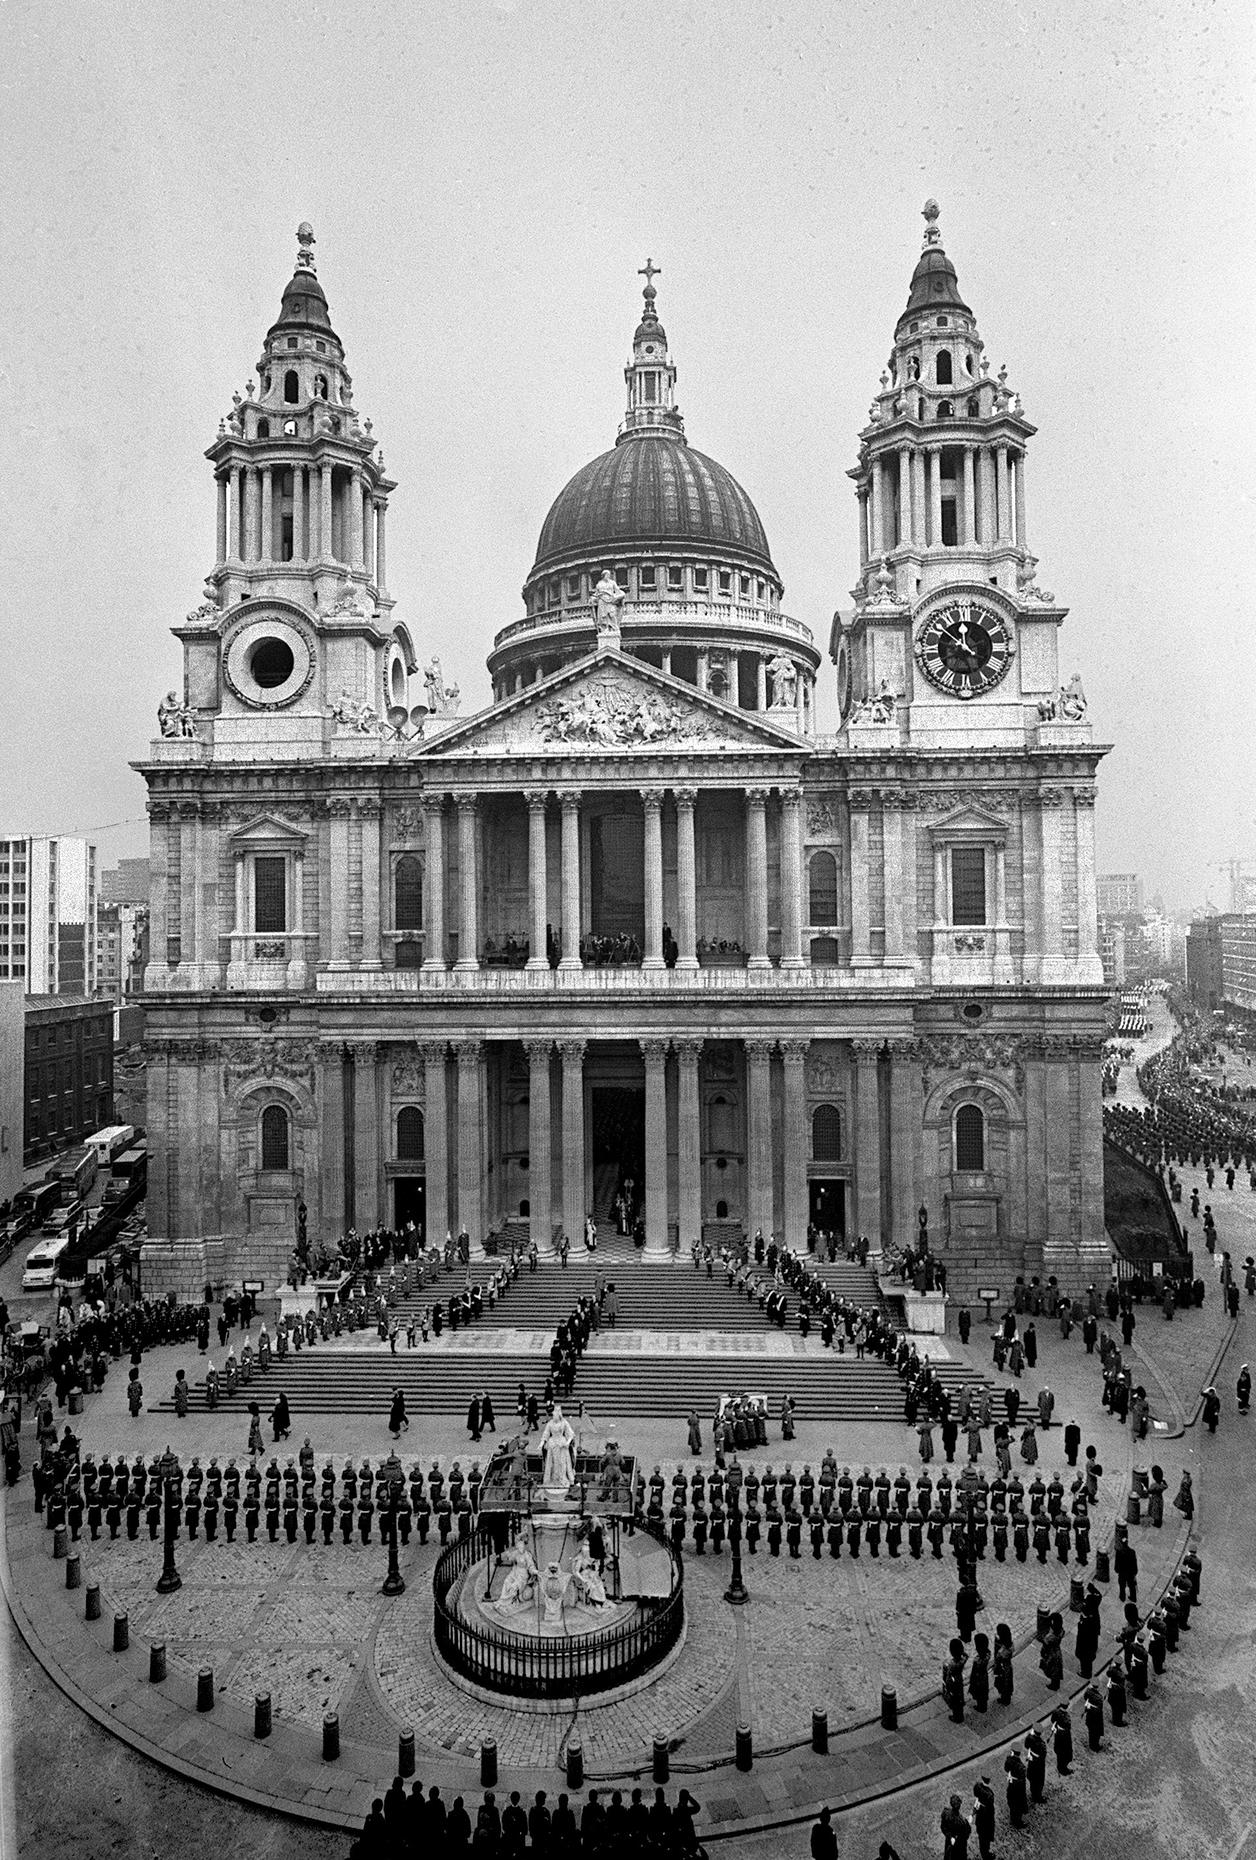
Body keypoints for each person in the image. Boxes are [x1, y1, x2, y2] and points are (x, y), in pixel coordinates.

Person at [940, 1793, 971, 1860]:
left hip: (949, 1841)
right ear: (959, 1805)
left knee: (949, 1856)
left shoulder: (946, 1813)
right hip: (959, 1845)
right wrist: (967, 1822)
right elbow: (967, 1833)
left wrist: (950, 1836)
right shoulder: (962, 1822)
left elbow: (943, 1827)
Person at [972, 1777, 996, 1860]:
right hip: (985, 1825)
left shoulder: (979, 1794)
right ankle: (986, 1855)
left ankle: (985, 1853)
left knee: (982, 1840)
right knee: (985, 1841)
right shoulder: (987, 1805)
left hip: (980, 1824)